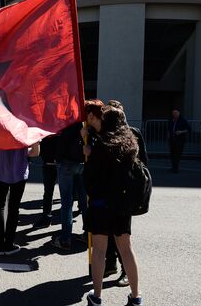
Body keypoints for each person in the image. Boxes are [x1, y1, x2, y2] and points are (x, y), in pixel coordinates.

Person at [83, 106, 143, 306]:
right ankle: (136, 296)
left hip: (101, 204)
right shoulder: (131, 144)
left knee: (99, 250)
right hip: (123, 205)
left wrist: (89, 155)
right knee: (126, 249)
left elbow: (89, 177)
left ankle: (97, 296)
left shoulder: (101, 144)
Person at [105, 100, 148, 287]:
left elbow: (143, 161)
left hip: (125, 193)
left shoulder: (134, 133)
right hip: (110, 192)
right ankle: (110, 264)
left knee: (122, 235)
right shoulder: (105, 134)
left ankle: (125, 271)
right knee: (107, 232)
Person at [0, 143, 40, 255]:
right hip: (20, 174)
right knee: (14, 208)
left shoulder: (0, 127)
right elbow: (35, 152)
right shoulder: (26, 128)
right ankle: (9, 243)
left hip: (1, 172)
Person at [52, 114, 90, 250]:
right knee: (84, 200)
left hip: (66, 163)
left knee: (67, 202)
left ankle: (65, 239)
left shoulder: (67, 121)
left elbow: (62, 143)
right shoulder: (84, 122)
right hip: (81, 162)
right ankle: (88, 234)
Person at [33, 135, 59, 229]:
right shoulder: (60, 124)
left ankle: (46, 218)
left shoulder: (47, 125)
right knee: (66, 196)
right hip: (57, 160)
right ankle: (47, 218)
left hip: (53, 161)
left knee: (49, 192)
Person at [167, 109, 190, 173]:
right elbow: (169, 128)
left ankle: (176, 168)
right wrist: (168, 134)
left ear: (179, 113)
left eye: (176, 113)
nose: (174, 114)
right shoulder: (171, 120)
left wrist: (181, 132)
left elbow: (188, 129)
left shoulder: (183, 120)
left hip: (180, 139)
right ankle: (173, 167)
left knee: (177, 154)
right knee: (172, 153)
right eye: (173, 113)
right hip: (172, 139)